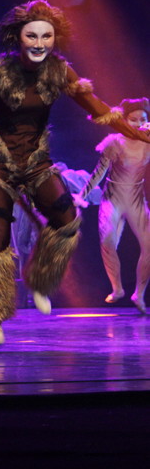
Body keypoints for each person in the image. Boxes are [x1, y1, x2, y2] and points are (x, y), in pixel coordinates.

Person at [0, 0, 150, 345]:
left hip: (37, 162)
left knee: (68, 220)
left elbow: (100, 109)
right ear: (18, 37)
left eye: (47, 36)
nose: (40, 43)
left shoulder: (59, 70)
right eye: (32, 36)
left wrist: (139, 134)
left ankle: (39, 280)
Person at [75, 97, 150, 313]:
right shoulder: (115, 143)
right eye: (133, 120)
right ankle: (117, 288)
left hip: (136, 199)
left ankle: (139, 295)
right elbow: (98, 173)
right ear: (124, 121)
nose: (138, 124)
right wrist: (81, 195)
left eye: (143, 119)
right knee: (107, 241)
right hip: (113, 197)